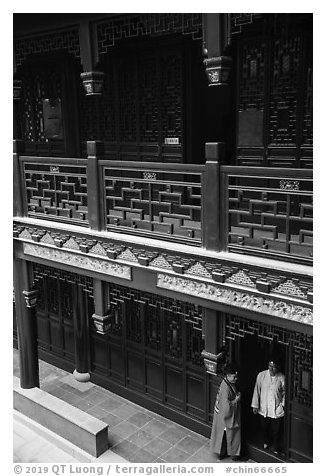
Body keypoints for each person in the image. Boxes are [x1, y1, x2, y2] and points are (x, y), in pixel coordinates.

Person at [251, 360, 285, 454]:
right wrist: (255, 405)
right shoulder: (261, 375)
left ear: (278, 367)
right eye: (269, 366)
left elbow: (285, 392)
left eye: (273, 367)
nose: (271, 368)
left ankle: (276, 448)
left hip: (276, 409)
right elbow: (256, 390)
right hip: (263, 407)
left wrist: (283, 404)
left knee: (276, 430)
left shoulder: (282, 378)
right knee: (264, 428)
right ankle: (266, 443)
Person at [210, 363, 242, 461]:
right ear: (227, 375)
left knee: (223, 436)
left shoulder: (226, 383)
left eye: (237, 376)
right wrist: (236, 400)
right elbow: (226, 408)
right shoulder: (226, 388)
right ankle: (224, 453)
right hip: (224, 418)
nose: (236, 378)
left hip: (220, 416)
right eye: (234, 376)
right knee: (225, 437)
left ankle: (222, 453)